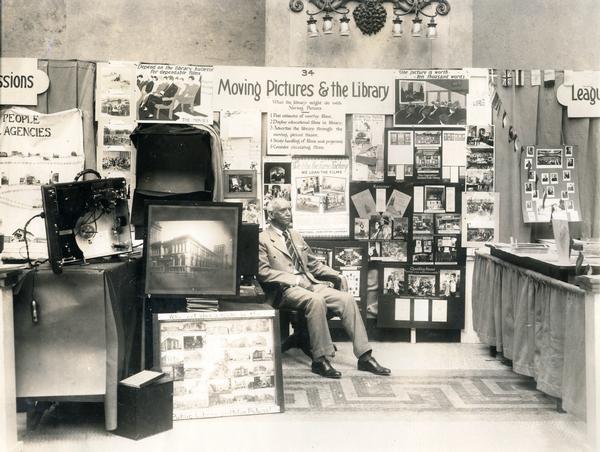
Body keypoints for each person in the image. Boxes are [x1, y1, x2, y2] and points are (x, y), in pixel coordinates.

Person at [258, 198, 390, 379]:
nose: (289, 213)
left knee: (347, 299)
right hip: (285, 290)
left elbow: (313, 265)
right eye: (283, 211)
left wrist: (338, 274)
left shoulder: (295, 235)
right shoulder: (263, 239)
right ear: (271, 214)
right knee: (316, 301)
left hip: (310, 284)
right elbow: (263, 272)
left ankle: (364, 356)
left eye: (290, 209)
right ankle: (320, 360)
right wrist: (295, 280)